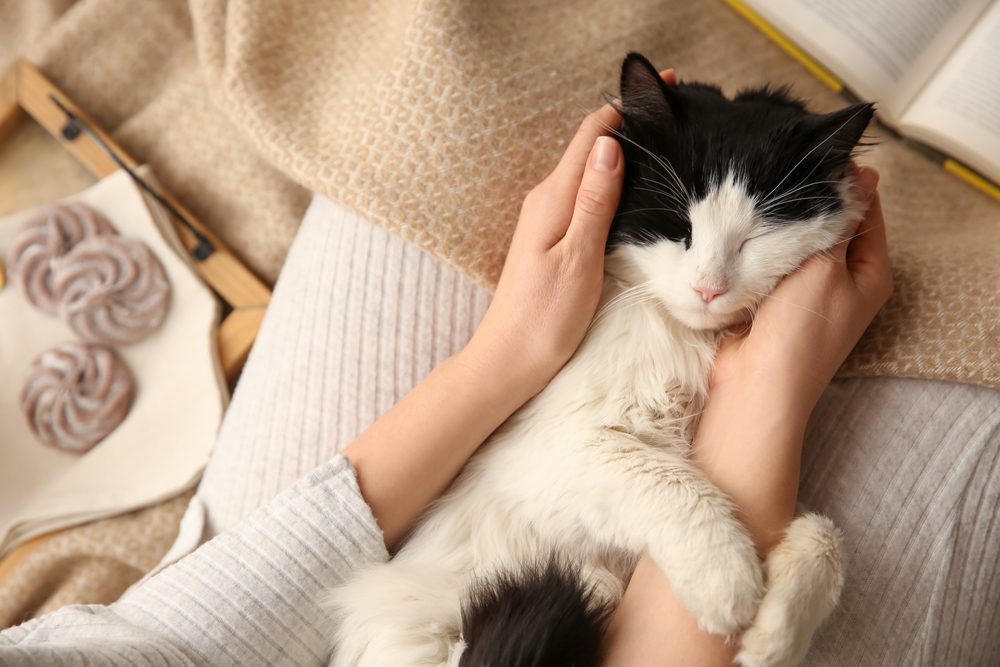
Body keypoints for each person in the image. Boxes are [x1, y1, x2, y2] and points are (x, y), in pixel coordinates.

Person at [0, 93, 894, 665]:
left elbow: (190, 629)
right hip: (440, 627)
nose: (705, 282)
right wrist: (769, 400)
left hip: (311, 605)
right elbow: (586, 475)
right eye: (688, 245)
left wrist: (506, 352)